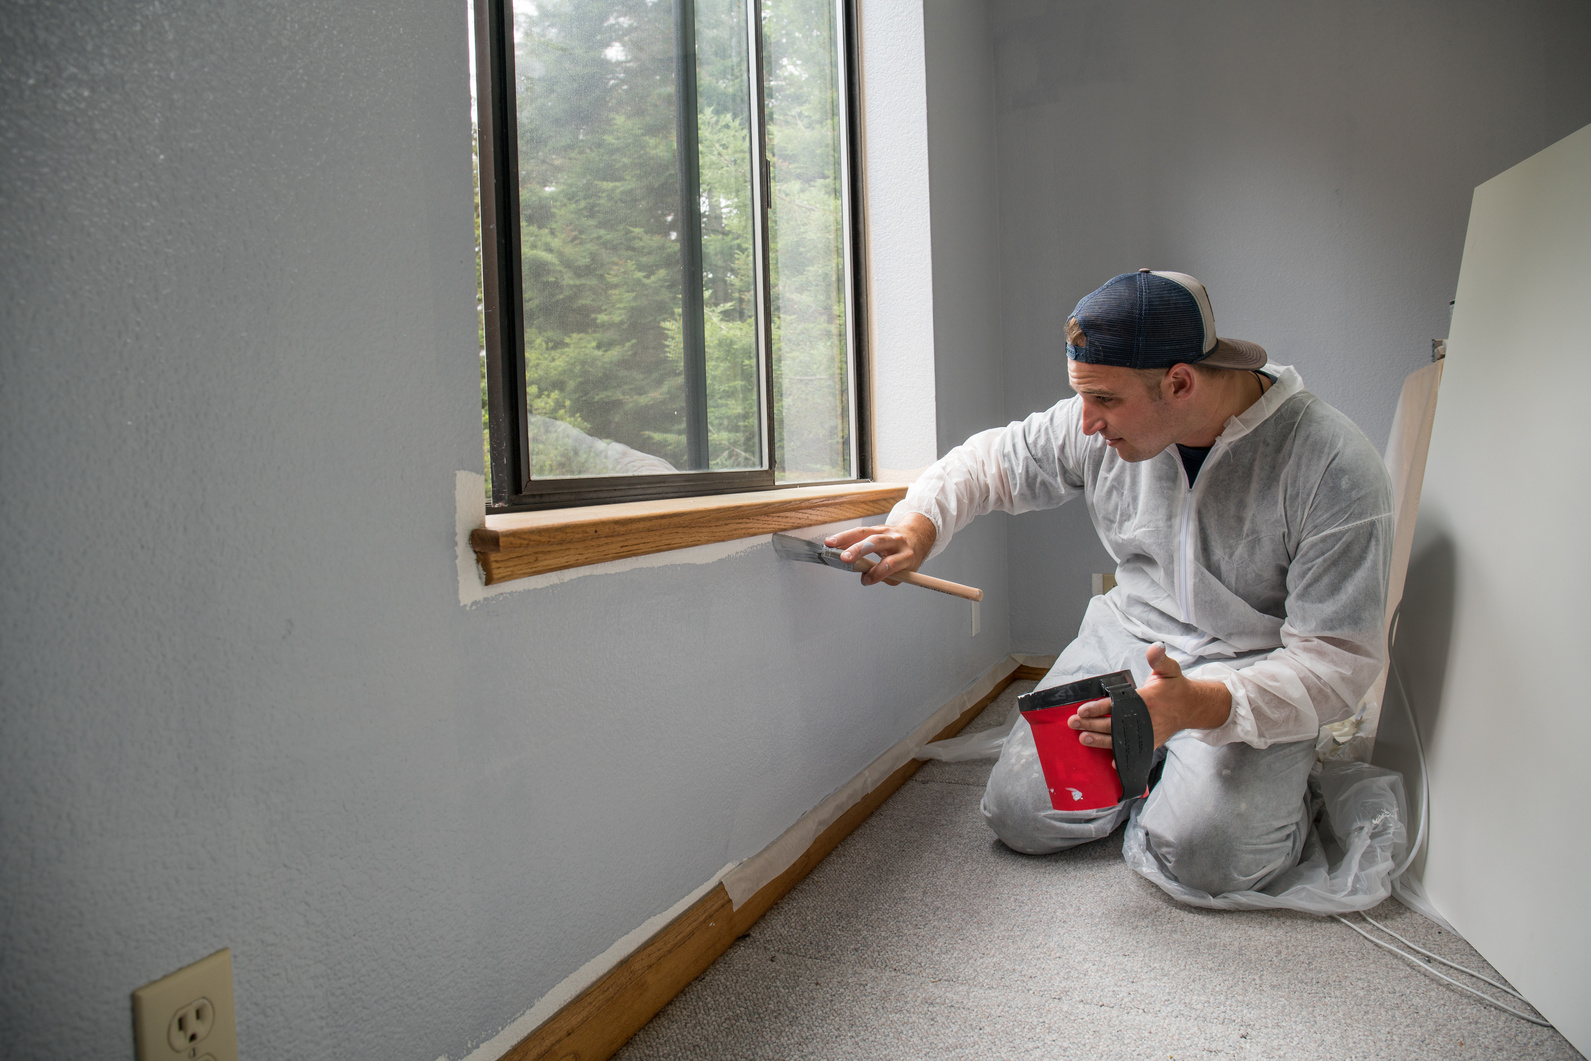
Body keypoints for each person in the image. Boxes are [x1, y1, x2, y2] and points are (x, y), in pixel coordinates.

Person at [827, 269, 1394, 897]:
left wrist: (1196, 708)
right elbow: (990, 462)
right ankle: (1159, 765)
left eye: (1104, 399)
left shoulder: (1332, 464)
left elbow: (1338, 661)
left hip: (1251, 669)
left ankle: (1244, 780)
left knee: (1210, 860)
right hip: (1131, 639)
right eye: (1081, 397)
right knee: (1021, 815)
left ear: (1179, 382)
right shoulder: (1093, 421)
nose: (1086, 421)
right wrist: (917, 528)